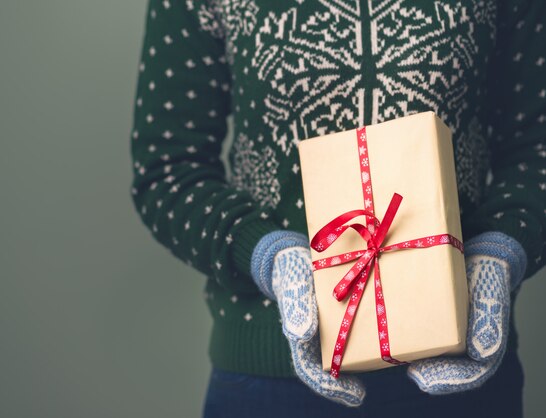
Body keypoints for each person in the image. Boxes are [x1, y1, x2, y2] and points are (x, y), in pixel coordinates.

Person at [130, 1, 545, 417]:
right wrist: (266, 254)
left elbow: (537, 148)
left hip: (462, 372)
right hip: (267, 383)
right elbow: (168, 169)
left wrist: (501, 251)